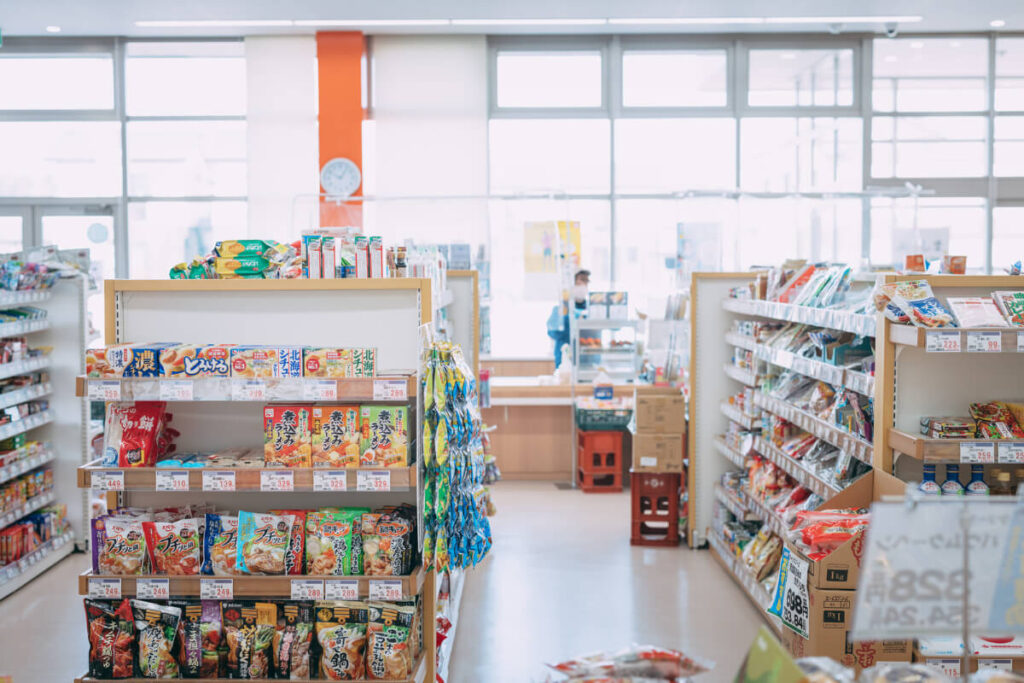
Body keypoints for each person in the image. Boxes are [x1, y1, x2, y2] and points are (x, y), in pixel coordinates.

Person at [547, 269, 590, 367]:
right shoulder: (561, 308)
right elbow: (553, 332)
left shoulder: (592, 309)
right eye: (579, 282)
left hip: (587, 363)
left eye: (586, 282)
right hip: (565, 363)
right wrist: (567, 319)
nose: (583, 286)